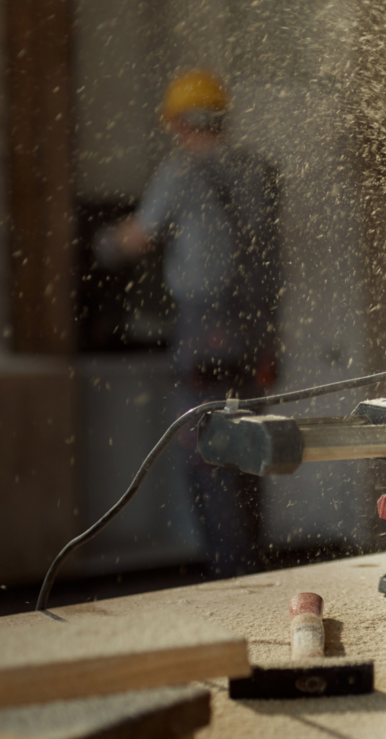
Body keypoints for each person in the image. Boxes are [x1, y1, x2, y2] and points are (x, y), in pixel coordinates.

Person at [98, 70, 281, 576]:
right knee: (250, 450)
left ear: (180, 123)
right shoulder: (259, 171)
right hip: (256, 326)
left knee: (205, 451)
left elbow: (138, 237)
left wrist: (103, 242)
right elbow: (270, 259)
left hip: (204, 325)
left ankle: (229, 575)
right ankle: (254, 570)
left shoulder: (180, 172)